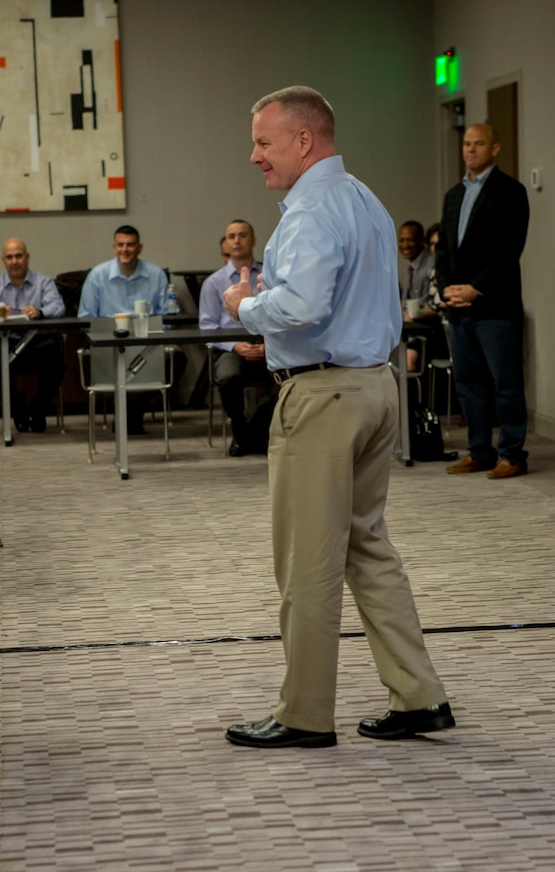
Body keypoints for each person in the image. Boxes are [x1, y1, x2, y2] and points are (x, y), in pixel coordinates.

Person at [222, 86, 454, 748]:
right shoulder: (364, 199)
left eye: (264, 143)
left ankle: (303, 715)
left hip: (324, 398)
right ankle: (418, 696)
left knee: (307, 561)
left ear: (303, 140)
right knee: (366, 546)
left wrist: (244, 304)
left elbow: (302, 307)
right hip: (375, 388)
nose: (254, 156)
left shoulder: (311, 211)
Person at [435, 124, 530, 479]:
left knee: (504, 383)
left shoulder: (511, 191)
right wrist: (448, 288)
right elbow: (442, 247)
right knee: (468, 383)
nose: (470, 149)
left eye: (478, 144)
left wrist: (476, 288)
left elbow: (509, 250)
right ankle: (479, 451)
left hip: (495, 305)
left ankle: (512, 455)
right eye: (466, 143)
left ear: (495, 149)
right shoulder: (452, 195)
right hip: (459, 306)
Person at [78, 225, 183, 434]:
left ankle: (135, 408)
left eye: (130, 245)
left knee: (178, 357)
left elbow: (167, 319)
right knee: (119, 361)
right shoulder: (97, 276)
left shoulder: (156, 275)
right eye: (121, 245)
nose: (125, 249)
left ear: (139, 247)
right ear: (114, 247)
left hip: (149, 342)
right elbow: (85, 319)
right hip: (110, 344)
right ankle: (131, 412)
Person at [0, 238, 65, 433]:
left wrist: (40, 311)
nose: (14, 261)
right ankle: (18, 408)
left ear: (27, 257)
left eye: (18, 256)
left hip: (39, 343)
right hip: (6, 344)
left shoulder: (43, 282)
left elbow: (58, 307)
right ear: (3, 260)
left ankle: (39, 408)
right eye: (9, 257)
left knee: (57, 361)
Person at [200, 220, 275, 456]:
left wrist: (267, 345)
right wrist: (234, 346)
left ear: (253, 241)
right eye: (232, 236)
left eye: (243, 235)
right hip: (230, 349)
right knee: (228, 377)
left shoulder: (269, 275)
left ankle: (255, 429)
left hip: (268, 345)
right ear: (226, 242)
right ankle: (241, 431)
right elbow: (207, 328)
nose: (237, 240)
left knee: (290, 377)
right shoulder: (213, 282)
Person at [398, 220, 437, 372]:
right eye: (401, 240)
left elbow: (431, 305)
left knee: (406, 363)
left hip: (430, 326)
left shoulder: (431, 264)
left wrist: (413, 314)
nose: (405, 245)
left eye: (410, 239)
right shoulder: (411, 265)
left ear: (421, 241)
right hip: (413, 325)